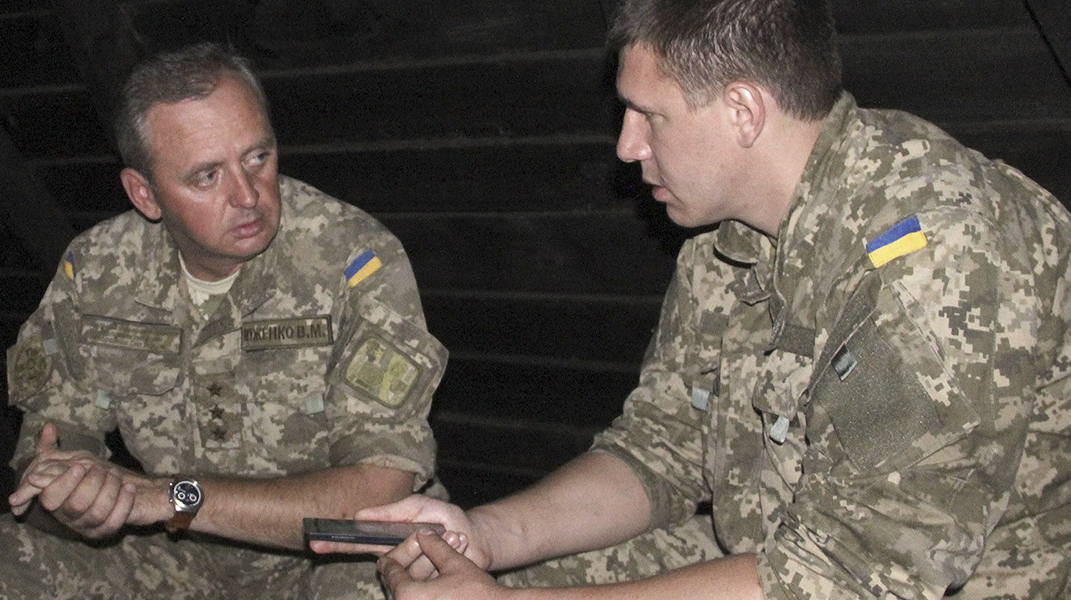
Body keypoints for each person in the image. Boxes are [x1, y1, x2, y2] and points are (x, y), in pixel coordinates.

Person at [314, 0, 1071, 598]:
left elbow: (852, 575)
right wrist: (482, 536)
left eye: (650, 115)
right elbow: (662, 450)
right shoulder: (726, 239)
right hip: (771, 550)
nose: (627, 146)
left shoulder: (934, 256)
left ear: (742, 111)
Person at [0, 41, 447, 599]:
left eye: (258, 157)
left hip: (332, 558)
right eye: (207, 176)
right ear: (145, 194)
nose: (247, 195)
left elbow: (377, 497)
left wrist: (171, 496)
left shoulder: (354, 260)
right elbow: (43, 470)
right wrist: (77, 499)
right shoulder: (97, 271)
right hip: (178, 550)